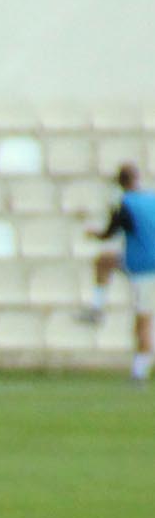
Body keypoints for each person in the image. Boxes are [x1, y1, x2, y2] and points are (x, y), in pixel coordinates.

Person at [79, 163, 154, 384]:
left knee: (143, 320)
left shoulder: (124, 204)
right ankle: (96, 308)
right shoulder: (150, 199)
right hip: (140, 262)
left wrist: (93, 233)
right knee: (105, 261)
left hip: (143, 267)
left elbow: (109, 233)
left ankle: (139, 374)